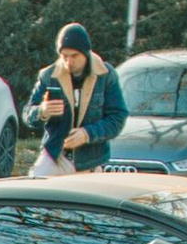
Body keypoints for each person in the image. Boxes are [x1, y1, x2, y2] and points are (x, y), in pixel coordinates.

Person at [21, 23, 124, 173]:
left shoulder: (106, 74)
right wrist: (41, 111)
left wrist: (87, 134)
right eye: (64, 56)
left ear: (86, 53)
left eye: (74, 56)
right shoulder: (48, 75)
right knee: (33, 189)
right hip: (55, 154)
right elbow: (26, 114)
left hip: (91, 161)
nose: (69, 61)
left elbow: (118, 118)